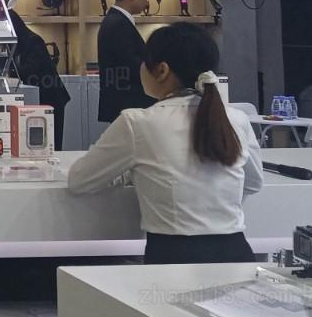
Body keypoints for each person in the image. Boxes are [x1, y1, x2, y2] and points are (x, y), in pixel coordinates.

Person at [68, 24, 263, 264]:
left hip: (173, 257)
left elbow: (79, 180)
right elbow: (254, 182)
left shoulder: (137, 122)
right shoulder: (237, 119)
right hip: (237, 254)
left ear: (162, 70)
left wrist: (130, 174)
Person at [8, 7, 71, 150]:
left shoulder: (33, 41)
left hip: (51, 98)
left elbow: (30, 70)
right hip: (38, 98)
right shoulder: (19, 45)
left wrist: (11, 70)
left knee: (52, 144)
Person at [97, 0, 154, 123]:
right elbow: (132, 64)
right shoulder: (119, 24)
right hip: (127, 104)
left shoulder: (115, 20)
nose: (146, 3)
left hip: (123, 104)